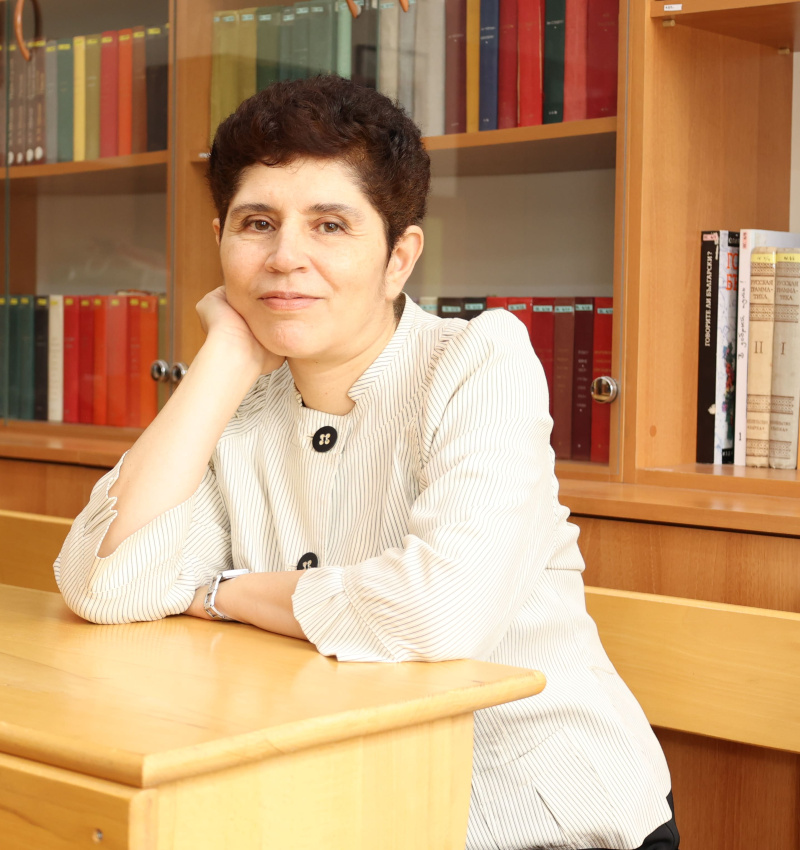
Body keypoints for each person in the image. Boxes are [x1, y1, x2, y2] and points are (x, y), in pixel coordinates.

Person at [55, 75, 679, 850]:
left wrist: (224, 593)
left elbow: (436, 611)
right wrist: (222, 359)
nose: (285, 257)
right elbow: (104, 585)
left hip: (540, 818)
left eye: (330, 225)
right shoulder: (234, 407)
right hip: (348, 806)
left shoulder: (479, 361)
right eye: (257, 224)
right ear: (221, 242)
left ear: (398, 257)